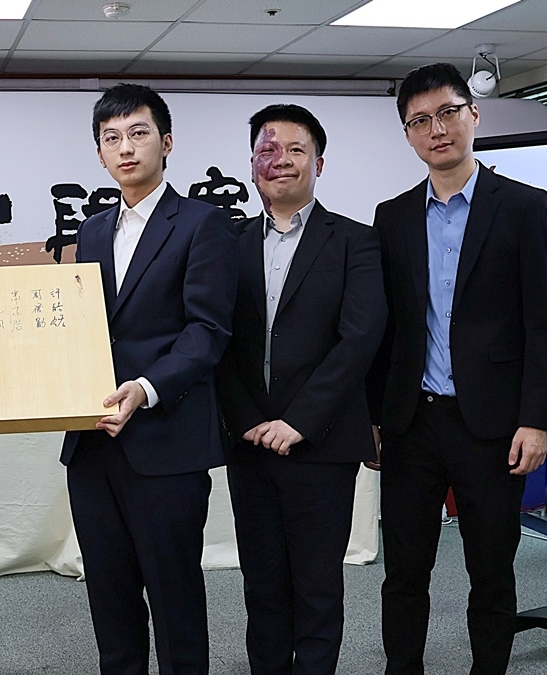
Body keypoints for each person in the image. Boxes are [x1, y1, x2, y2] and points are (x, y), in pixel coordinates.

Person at [368, 63, 547, 675]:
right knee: (405, 572)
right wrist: (375, 417)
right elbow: (385, 329)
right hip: (412, 422)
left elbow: (541, 324)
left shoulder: (524, 207)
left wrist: (536, 419)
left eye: (448, 112)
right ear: (407, 134)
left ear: (473, 115)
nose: (437, 129)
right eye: (420, 120)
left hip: (493, 426)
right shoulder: (392, 216)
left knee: (491, 570)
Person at [60, 83, 238, 675]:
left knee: (174, 598)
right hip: (92, 443)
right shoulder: (91, 230)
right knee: (109, 597)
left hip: (166, 441)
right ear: (99, 153)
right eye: (111, 138)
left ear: (167, 142)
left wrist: (145, 388)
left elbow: (207, 331)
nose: (126, 148)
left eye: (138, 133)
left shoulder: (204, 224)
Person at [217, 104, 387, 674]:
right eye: (268, 150)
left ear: (319, 162)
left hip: (322, 444)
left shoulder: (356, 242)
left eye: (296, 149)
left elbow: (359, 340)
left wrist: (300, 421)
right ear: (252, 164)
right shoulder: (228, 242)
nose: (281, 160)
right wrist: (245, 418)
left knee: (316, 588)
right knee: (262, 585)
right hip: (250, 446)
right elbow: (216, 339)